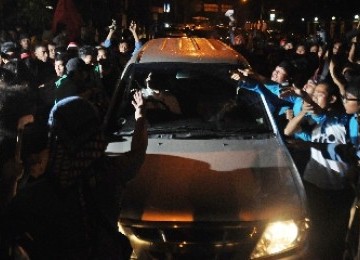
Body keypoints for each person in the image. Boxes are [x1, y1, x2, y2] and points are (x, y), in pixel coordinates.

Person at [1, 91, 147, 259]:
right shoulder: (112, 172)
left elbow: (6, 229)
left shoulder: (36, 196)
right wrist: (140, 115)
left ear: (56, 139)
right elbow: (138, 152)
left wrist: (11, 181)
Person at [284, 80, 354, 259]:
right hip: (313, 183)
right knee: (313, 231)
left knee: (335, 235)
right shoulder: (314, 124)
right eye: (313, 93)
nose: (314, 96)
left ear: (332, 99)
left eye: (319, 94)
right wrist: (300, 114)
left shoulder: (344, 120)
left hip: (339, 188)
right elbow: (289, 131)